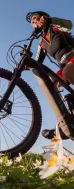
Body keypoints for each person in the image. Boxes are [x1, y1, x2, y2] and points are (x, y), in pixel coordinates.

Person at [26, 11, 74, 140]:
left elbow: (69, 25)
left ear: (43, 17)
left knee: (67, 72)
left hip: (72, 57)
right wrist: (27, 62)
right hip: (66, 66)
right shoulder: (42, 42)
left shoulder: (55, 27)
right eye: (32, 21)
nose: (34, 22)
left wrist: (51, 20)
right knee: (51, 84)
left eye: (36, 18)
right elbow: (37, 62)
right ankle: (66, 124)